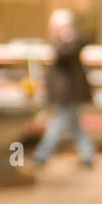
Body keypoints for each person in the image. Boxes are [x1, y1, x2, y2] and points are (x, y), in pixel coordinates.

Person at [33, 9, 95, 169]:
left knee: (57, 124)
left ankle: (41, 155)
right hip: (66, 93)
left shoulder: (71, 41)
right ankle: (87, 155)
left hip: (68, 93)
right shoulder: (64, 41)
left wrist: (63, 37)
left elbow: (62, 54)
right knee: (74, 125)